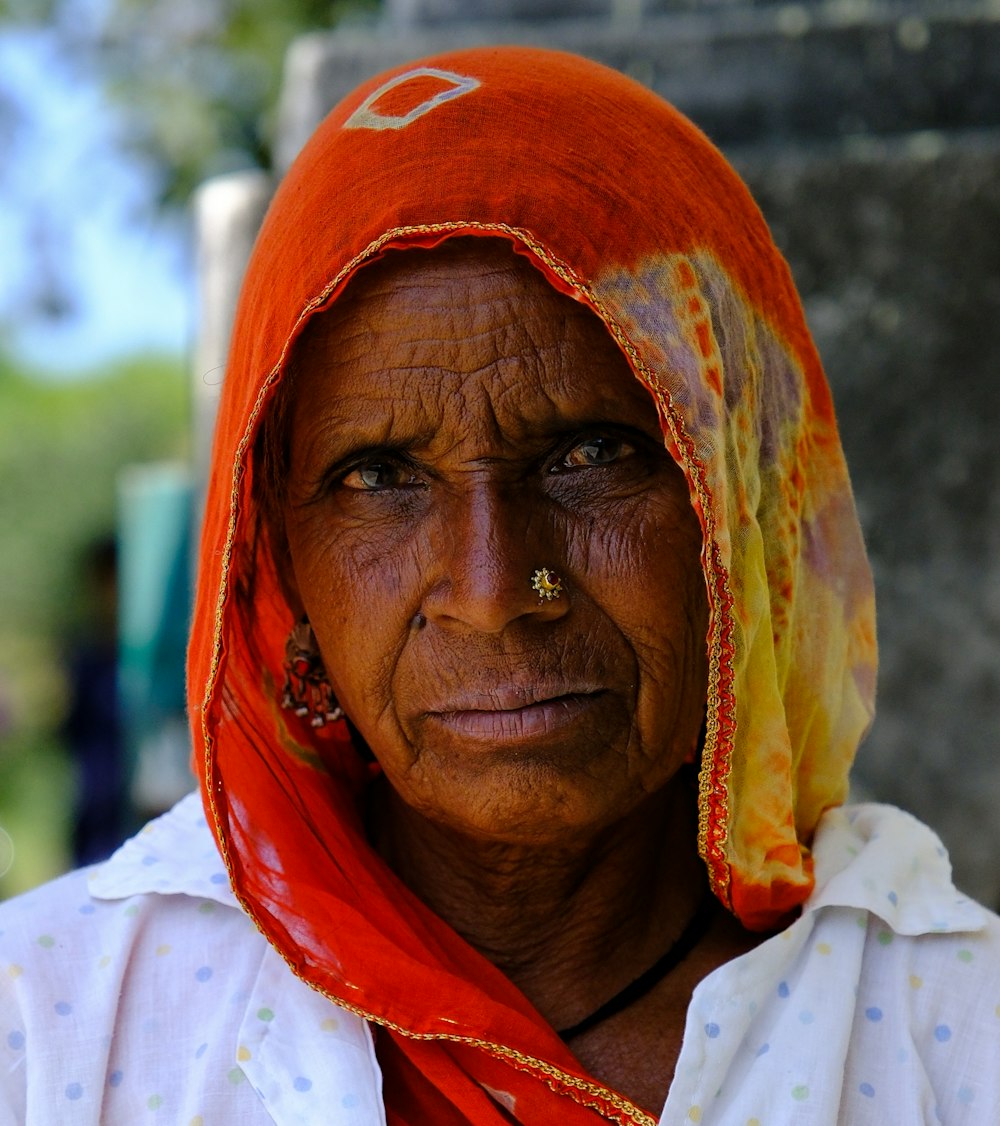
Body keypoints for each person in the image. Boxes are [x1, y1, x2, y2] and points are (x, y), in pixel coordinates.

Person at [1, 46, 998, 1125]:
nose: (494, 588)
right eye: (378, 475)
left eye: (587, 456)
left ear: (741, 507)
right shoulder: (56, 1031)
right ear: (280, 566)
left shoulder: (947, 1039)